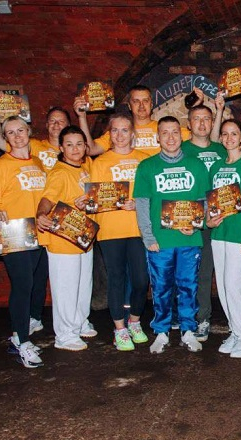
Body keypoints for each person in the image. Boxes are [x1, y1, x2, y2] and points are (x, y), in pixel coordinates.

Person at [133, 116, 210, 354]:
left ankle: (188, 330)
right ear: (158, 137)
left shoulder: (196, 165)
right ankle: (162, 331)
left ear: (182, 135)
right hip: (160, 241)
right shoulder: (147, 167)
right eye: (165, 133)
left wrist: (197, 224)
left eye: (174, 132)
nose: (170, 137)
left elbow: (204, 201)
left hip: (189, 238)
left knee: (188, 286)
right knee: (161, 287)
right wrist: (148, 237)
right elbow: (142, 204)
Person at [0, 116, 48, 368]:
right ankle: (23, 342)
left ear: (29, 131)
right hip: (14, 233)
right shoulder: (0, 165)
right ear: (5, 137)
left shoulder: (38, 162)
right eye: (10, 132)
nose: (17, 136)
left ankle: (18, 336)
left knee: (36, 284)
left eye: (20, 130)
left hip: (38, 234)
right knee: (22, 285)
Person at [88, 113, 150, 351]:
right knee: (116, 279)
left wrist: (139, 204)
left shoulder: (144, 160)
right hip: (110, 230)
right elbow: (95, 199)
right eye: (115, 130)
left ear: (132, 133)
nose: (120, 135)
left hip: (138, 229)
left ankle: (134, 321)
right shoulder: (100, 162)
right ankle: (120, 329)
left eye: (125, 130)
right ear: (109, 134)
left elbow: (153, 195)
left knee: (141, 280)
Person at [35, 126, 97, 352]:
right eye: (69, 145)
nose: (75, 149)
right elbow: (47, 199)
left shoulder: (86, 166)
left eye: (79, 144)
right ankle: (65, 335)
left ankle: (79, 322)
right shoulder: (59, 172)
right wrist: (40, 214)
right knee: (66, 288)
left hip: (83, 237)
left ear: (85, 146)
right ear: (61, 148)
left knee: (83, 286)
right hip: (63, 240)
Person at [208, 119, 241, 358]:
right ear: (220, 138)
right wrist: (209, 221)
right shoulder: (216, 166)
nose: (229, 138)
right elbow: (211, 201)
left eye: (234, 134)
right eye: (225, 134)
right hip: (219, 234)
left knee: (234, 287)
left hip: (239, 234)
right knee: (222, 287)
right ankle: (235, 331)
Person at [182, 103, 228, 343]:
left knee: (206, 272)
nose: (202, 123)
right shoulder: (180, 149)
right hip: (189, 220)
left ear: (212, 123)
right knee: (185, 271)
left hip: (218, 219)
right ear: (189, 124)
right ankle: (183, 315)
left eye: (206, 119)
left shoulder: (222, 150)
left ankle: (203, 318)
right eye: (196, 119)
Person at [0, 100, 70, 172]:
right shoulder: (32, 145)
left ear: (68, 125)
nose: (56, 124)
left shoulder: (73, 150)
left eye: (61, 121)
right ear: (47, 125)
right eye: (52, 121)